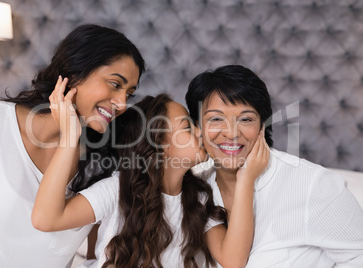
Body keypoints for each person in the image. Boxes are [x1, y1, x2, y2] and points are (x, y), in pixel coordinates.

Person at [0, 24, 145, 268]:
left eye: (129, 94)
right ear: (75, 72)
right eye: (115, 84)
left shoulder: (105, 163)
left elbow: (94, 257)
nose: (122, 103)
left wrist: (70, 139)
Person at [31, 92, 270, 267]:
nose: (201, 132)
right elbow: (46, 219)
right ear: (159, 143)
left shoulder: (197, 197)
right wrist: (70, 137)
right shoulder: (118, 189)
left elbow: (233, 260)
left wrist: (246, 179)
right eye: (188, 126)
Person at [185, 64, 363, 267]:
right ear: (197, 128)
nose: (232, 133)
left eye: (246, 119)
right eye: (216, 119)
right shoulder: (196, 189)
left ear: (262, 125)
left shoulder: (312, 184)